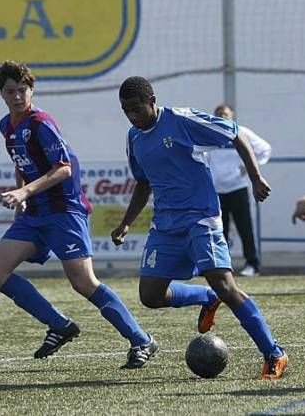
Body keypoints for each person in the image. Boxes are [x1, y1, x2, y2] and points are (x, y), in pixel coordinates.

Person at [111, 76, 287, 380]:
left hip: (200, 216)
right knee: (150, 296)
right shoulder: (133, 137)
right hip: (165, 224)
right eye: (126, 111)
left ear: (152, 101)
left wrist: (255, 178)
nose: (132, 116)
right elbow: (143, 182)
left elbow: (234, 134)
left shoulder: (181, 120)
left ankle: (274, 353)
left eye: (137, 109)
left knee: (225, 285)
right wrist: (126, 222)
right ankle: (206, 298)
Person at [0, 60, 158, 369]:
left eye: (22, 90)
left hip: (64, 213)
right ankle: (60, 325)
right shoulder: (6, 126)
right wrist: (22, 199)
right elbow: (21, 163)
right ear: (1, 93)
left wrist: (24, 192)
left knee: (83, 283)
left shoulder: (41, 123)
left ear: (31, 90)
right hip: (35, 214)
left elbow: (64, 168)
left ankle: (141, 339)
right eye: (10, 91)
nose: (17, 96)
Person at [207, 103, 271, 277]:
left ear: (232, 116)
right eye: (218, 113)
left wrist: (248, 167)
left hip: (237, 188)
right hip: (216, 191)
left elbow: (265, 149)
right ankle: (222, 266)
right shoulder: (209, 134)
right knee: (220, 231)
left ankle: (252, 264)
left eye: (225, 114)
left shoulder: (240, 131)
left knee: (245, 228)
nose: (222, 116)